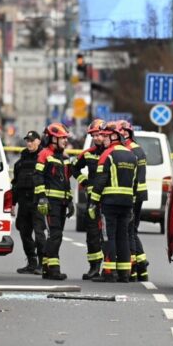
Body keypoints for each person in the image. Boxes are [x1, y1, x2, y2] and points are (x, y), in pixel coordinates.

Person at [88, 121, 137, 283]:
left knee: (109, 236)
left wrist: (93, 202)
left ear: (114, 136)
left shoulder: (107, 154)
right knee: (123, 236)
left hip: (110, 203)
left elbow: (100, 180)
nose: (104, 139)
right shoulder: (131, 155)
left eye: (107, 136)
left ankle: (109, 272)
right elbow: (135, 183)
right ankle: (124, 274)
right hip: (127, 203)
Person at [34, 122, 74, 280]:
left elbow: (66, 181)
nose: (65, 141)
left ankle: (46, 267)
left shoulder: (64, 157)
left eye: (65, 138)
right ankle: (53, 269)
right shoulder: (44, 154)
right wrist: (42, 197)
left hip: (62, 202)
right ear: (52, 139)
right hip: (51, 202)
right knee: (55, 234)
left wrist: (70, 200)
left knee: (57, 235)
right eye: (62, 138)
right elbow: (37, 177)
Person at [71, 118, 106, 279]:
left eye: (99, 134)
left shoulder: (113, 152)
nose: (97, 138)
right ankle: (94, 267)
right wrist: (83, 181)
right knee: (92, 234)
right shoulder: (88, 154)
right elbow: (74, 168)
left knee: (111, 234)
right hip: (93, 200)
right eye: (94, 135)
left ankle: (111, 267)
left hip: (109, 200)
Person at [11, 130, 46, 275]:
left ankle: (43, 264)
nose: (29, 143)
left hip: (37, 201)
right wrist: (13, 203)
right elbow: (15, 183)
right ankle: (32, 262)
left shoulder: (43, 158)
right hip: (24, 202)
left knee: (39, 233)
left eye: (32, 140)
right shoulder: (21, 161)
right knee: (24, 231)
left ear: (38, 141)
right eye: (28, 141)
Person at [119, 120, 149, 281]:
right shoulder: (137, 149)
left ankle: (136, 267)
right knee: (133, 230)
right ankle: (141, 266)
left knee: (129, 231)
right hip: (138, 195)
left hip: (133, 195)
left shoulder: (130, 150)